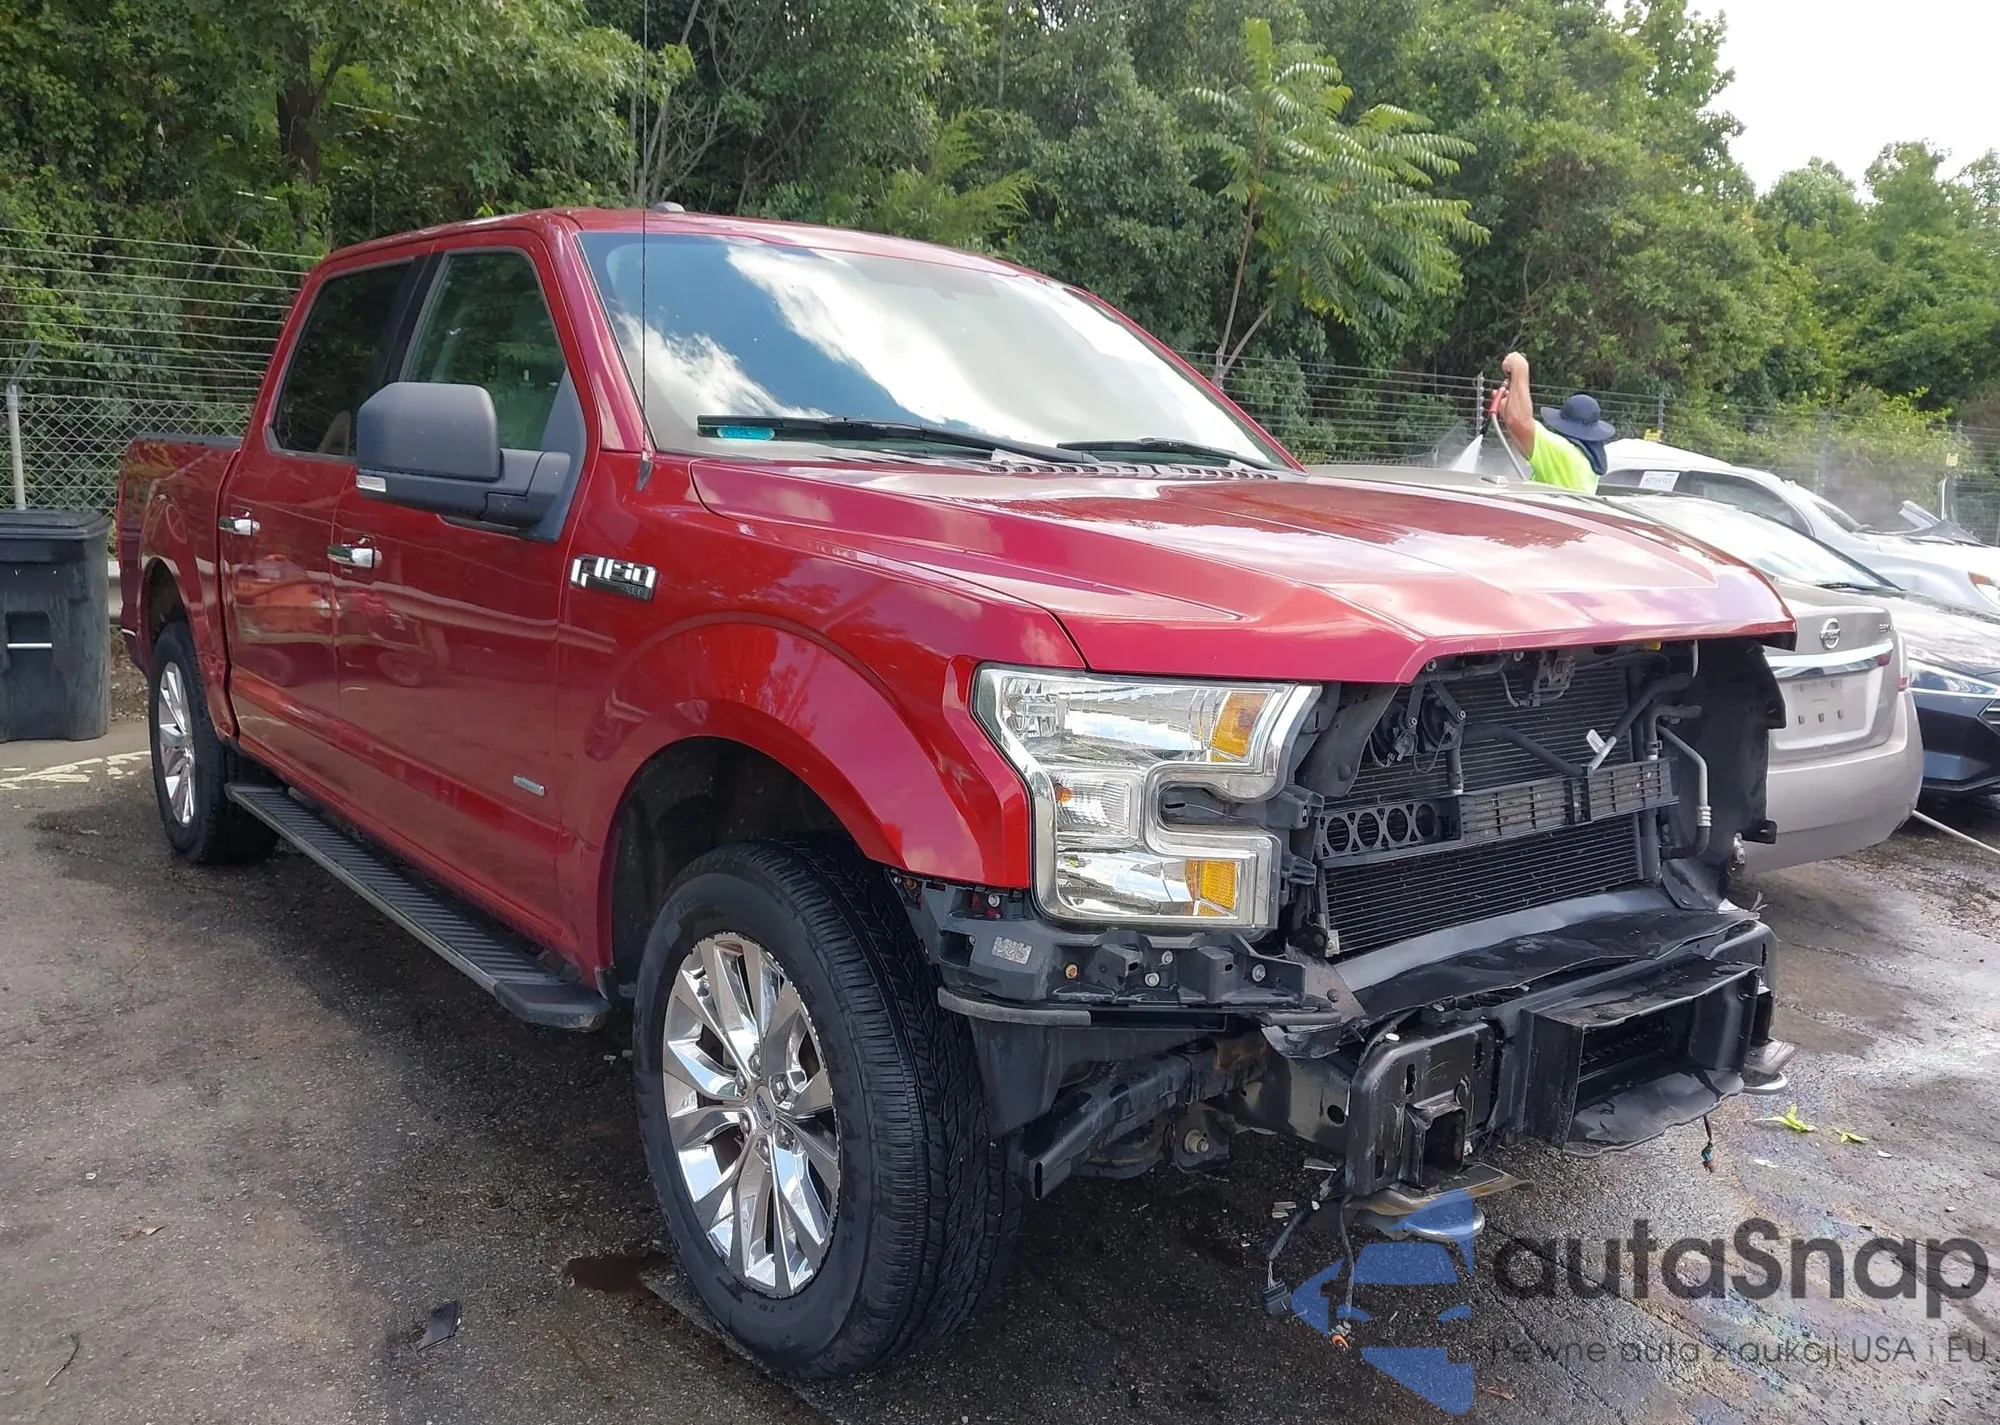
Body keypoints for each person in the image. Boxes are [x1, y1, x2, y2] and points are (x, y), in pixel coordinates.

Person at [1490, 351, 1614, 493]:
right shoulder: (1584, 462)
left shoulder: (1565, 454)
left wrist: (1520, 367)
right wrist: (1509, 409)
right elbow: (1522, 436)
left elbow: (1520, 422)